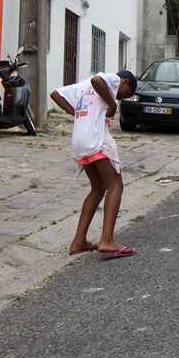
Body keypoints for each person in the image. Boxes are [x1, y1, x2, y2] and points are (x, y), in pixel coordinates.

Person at [50, 70, 138, 260]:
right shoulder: (113, 80)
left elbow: (55, 94)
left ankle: (78, 241)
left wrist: (78, 115)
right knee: (116, 185)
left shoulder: (82, 87)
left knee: (98, 188)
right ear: (125, 81)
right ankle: (107, 240)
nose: (122, 97)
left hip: (80, 141)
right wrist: (112, 103)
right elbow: (97, 80)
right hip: (97, 140)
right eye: (126, 93)